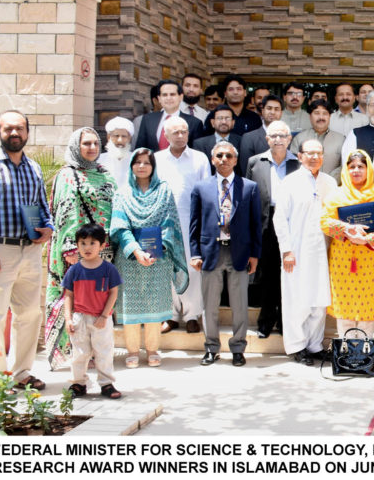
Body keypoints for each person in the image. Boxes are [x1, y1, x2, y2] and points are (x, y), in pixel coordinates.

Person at [0, 111, 55, 391]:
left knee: (29, 315)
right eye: (8, 128)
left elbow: (42, 207)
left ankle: (22, 373)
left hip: (30, 251)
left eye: (20, 128)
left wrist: (47, 227)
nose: (15, 133)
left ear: (27, 132)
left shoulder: (33, 168)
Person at [45, 127, 117, 371]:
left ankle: (98, 353)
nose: (92, 148)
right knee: (77, 305)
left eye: (95, 143)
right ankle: (75, 355)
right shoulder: (66, 175)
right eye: (86, 143)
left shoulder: (106, 175)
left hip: (104, 252)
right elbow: (64, 215)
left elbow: (113, 210)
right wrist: (71, 250)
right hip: (76, 253)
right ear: (76, 145)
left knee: (100, 301)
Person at [109, 149, 189, 368]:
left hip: (158, 257)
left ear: (153, 166)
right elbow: (119, 227)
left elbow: (169, 222)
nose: (142, 166)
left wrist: (155, 250)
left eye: (147, 162)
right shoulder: (123, 192)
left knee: (155, 304)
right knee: (130, 304)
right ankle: (132, 351)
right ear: (132, 166)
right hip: (129, 258)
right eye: (138, 162)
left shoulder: (163, 191)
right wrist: (136, 250)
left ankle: (153, 349)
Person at [190, 141, 262, 367]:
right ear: (212, 159)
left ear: (235, 160)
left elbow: (255, 224)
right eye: (219, 155)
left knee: (239, 304)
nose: (223, 159)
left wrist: (255, 254)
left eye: (228, 156)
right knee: (210, 305)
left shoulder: (249, 187)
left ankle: (238, 348)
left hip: (239, 252)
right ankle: (211, 348)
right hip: (211, 251)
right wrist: (194, 253)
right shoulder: (201, 187)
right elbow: (194, 224)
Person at [273, 139, 337, 366]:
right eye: (309, 153)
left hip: (323, 251)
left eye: (318, 153)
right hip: (296, 252)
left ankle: (315, 345)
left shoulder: (330, 182)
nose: (313, 157)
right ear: (299, 156)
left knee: (319, 302)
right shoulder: (289, 182)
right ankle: (297, 346)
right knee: (297, 300)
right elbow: (280, 219)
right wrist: (287, 250)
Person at [321, 151, 374, 336]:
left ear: (368, 169)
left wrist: (366, 239)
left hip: (369, 257)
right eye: (351, 167)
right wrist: (346, 229)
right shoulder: (336, 195)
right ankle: (346, 354)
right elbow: (324, 222)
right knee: (345, 303)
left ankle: (364, 354)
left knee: (368, 304)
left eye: (361, 166)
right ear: (346, 170)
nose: (356, 170)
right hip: (342, 258)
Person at [154, 117, 210, 334]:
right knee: (167, 268)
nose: (180, 136)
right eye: (175, 132)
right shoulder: (157, 159)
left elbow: (206, 191)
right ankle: (171, 315)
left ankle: (192, 315)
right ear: (166, 136)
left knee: (192, 268)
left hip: (192, 221)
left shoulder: (200, 159)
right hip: (163, 222)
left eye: (183, 132)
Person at [246, 121, 300, 338]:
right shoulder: (255, 162)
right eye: (274, 135)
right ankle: (266, 321)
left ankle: (286, 322)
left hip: (291, 222)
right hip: (265, 222)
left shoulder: (298, 162)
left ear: (289, 139)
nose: (278, 139)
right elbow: (249, 195)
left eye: (283, 135)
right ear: (267, 139)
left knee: (289, 275)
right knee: (268, 274)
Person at [62, 223, 122, 399]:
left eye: (92, 243)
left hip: (101, 319)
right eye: (83, 243)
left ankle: (106, 383)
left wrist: (104, 315)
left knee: (104, 351)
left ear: (102, 246)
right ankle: (78, 383)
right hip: (80, 318)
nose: (87, 248)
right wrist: (68, 318)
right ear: (77, 245)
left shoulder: (109, 269)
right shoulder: (74, 270)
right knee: (80, 353)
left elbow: (113, 293)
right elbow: (68, 295)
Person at [134, 80, 203, 151]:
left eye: (172, 94)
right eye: (164, 95)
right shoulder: (147, 119)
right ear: (159, 99)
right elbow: (140, 150)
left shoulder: (194, 123)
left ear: (181, 97)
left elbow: (196, 153)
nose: (168, 98)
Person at [291, 99, 345, 180]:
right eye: (316, 113)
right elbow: (294, 165)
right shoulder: (299, 138)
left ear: (330, 116)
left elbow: (344, 165)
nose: (321, 117)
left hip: (333, 187)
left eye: (325, 113)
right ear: (310, 116)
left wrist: (328, 181)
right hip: (305, 185)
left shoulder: (341, 139)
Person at [239, 94, 283, 176]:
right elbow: (246, 169)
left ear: (281, 113)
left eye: (276, 109)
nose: (272, 112)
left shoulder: (287, 137)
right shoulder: (249, 138)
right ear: (262, 111)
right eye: (269, 108)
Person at [97, 116, 135, 185]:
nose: (120, 140)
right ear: (109, 137)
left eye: (124, 136)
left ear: (129, 138)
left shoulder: (135, 160)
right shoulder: (99, 160)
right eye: (116, 136)